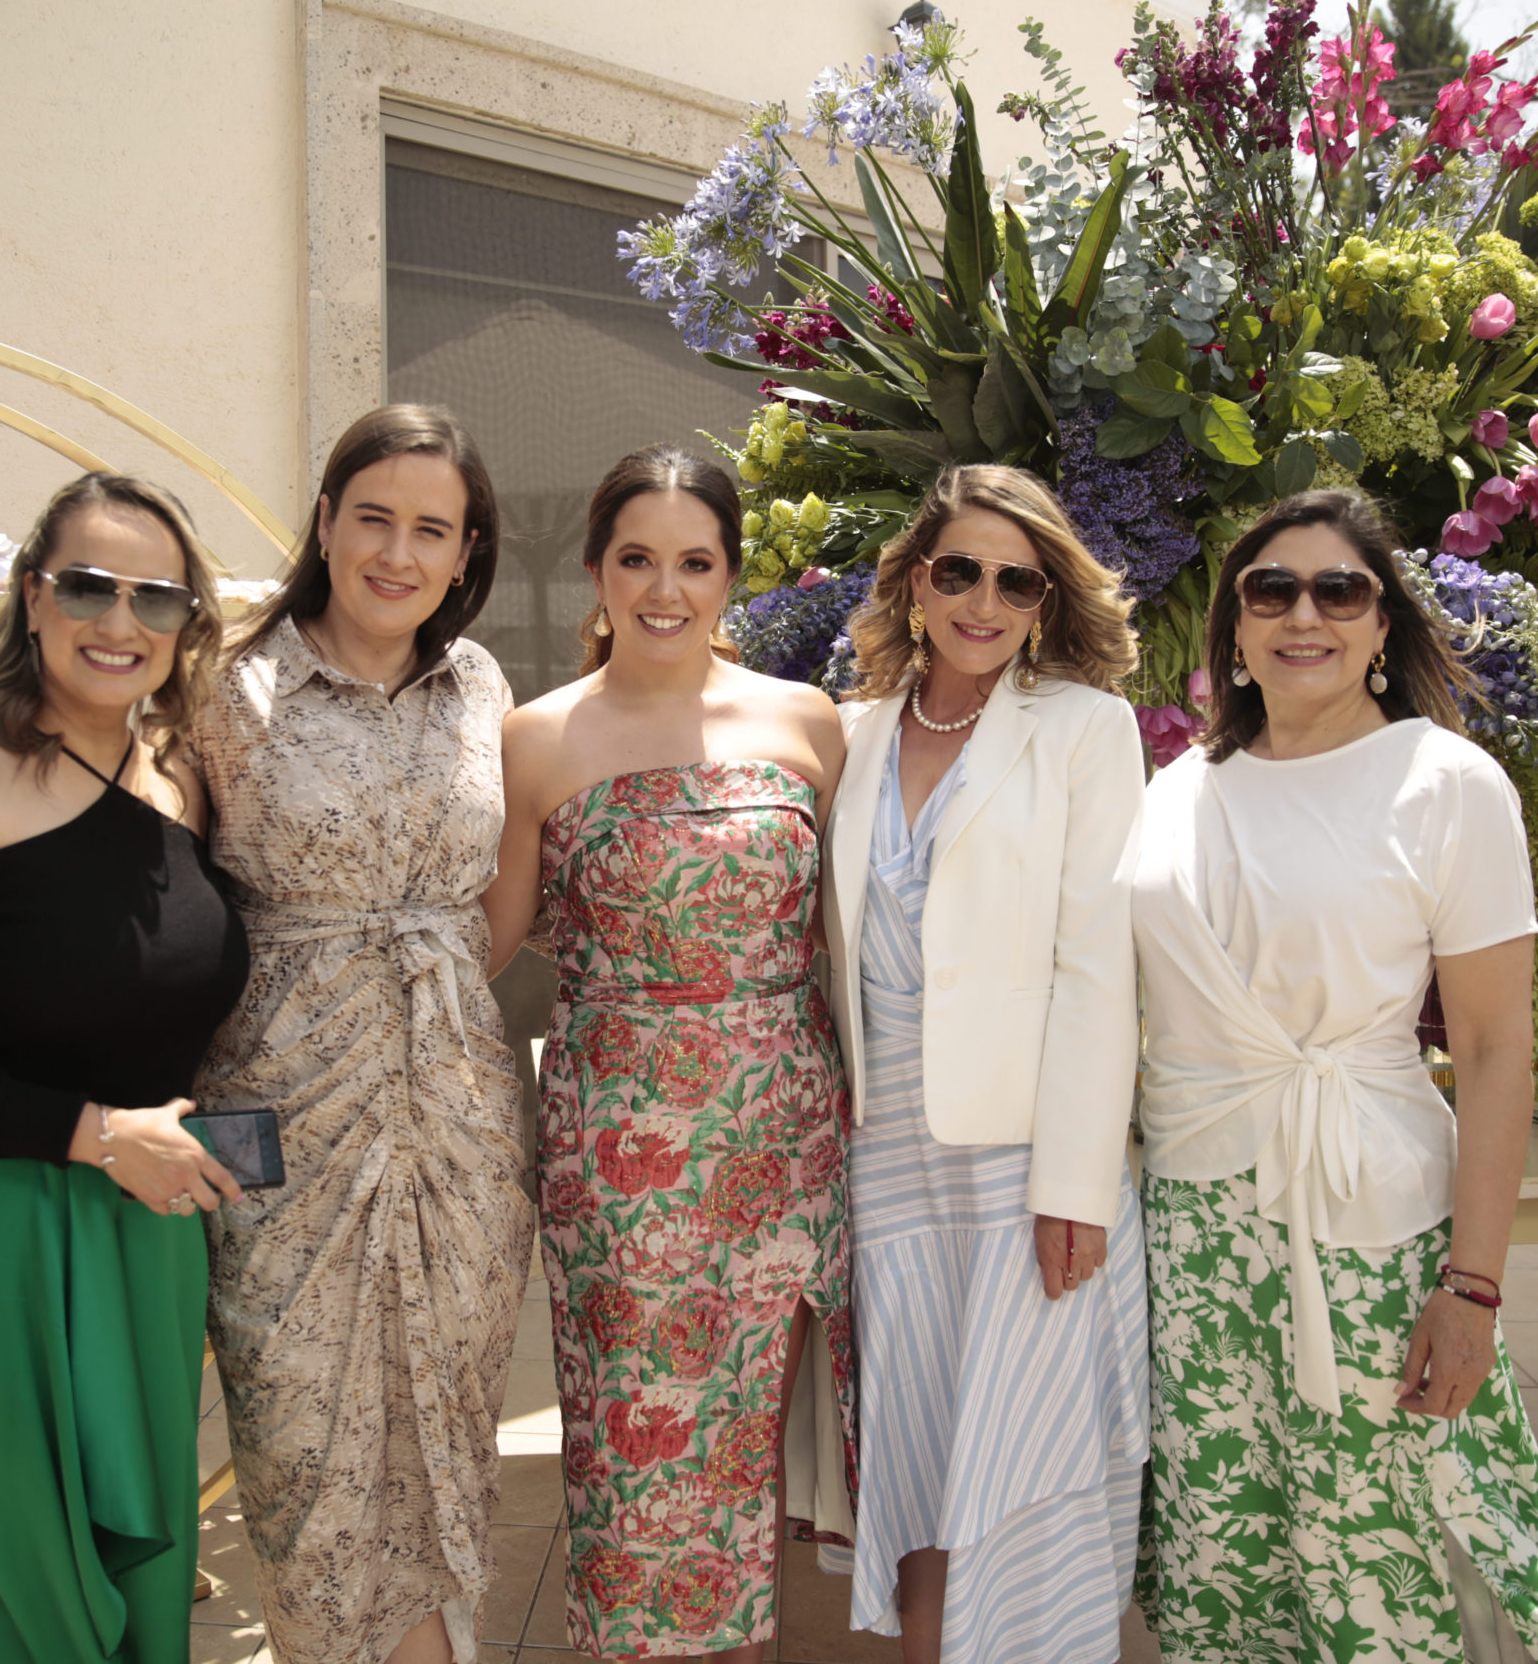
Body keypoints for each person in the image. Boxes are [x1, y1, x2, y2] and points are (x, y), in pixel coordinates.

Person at [1131, 490, 1538, 1661]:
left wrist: (1476, 1286)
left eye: (1338, 590)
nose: (1305, 615)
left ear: (1382, 624)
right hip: (1192, 1234)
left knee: (1388, 1544)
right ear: (1231, 629)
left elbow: (1495, 1050)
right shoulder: (1176, 788)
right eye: (1271, 589)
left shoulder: (1445, 784)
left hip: (1368, 1229)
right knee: (1223, 1552)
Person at [0, 471, 250, 1664]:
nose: (120, 624)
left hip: (145, 1238)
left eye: (158, 600)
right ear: (32, 600)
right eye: (87, 587)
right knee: (24, 1588)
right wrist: (96, 1136)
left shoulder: (180, 779)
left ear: (187, 628)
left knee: (146, 1576)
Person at [484, 445, 855, 1663]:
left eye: (695, 561)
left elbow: (845, 943)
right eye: (636, 557)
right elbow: (482, 946)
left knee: (745, 1464)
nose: (664, 588)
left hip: (780, 1147)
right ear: (595, 570)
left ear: (731, 578)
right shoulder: (535, 739)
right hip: (620, 1154)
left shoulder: (808, 723)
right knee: (634, 1469)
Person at [191, 404, 534, 1664]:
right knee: (304, 1450)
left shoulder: (481, 684)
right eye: (373, 517)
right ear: (327, 522)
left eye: (429, 530)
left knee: (445, 1434)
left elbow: (497, 896)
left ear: (465, 551)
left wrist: (421, 990)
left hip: (456, 1127)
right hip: (278, 1123)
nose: (397, 552)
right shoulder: (221, 681)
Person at [820, 465, 1151, 1664]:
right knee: (915, 1457)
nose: (983, 599)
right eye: (958, 570)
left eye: (1015, 581)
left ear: (1043, 601)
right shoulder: (847, 733)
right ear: (917, 581)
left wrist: (1074, 1181)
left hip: (1026, 1161)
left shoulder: (1083, 730)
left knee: (1023, 1461)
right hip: (886, 1158)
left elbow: (1098, 970)